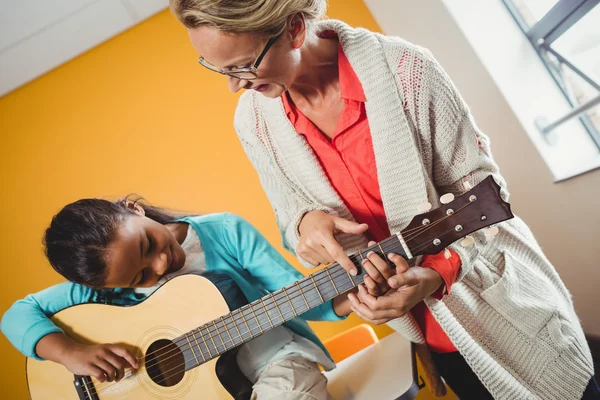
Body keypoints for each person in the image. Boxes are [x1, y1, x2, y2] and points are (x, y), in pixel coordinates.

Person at [168, 1, 597, 399]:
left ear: (295, 29)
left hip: (507, 308)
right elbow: (289, 216)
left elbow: (486, 199)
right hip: (432, 335)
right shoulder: (253, 122)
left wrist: (438, 273)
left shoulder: (409, 70)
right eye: (216, 68)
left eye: (243, 66)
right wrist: (306, 223)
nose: (232, 87)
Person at [1, 197, 393, 399]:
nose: (160, 264)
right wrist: (70, 354)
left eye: (148, 243)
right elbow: (16, 315)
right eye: (140, 276)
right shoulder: (103, 286)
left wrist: (358, 291)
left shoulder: (224, 231)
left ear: (132, 209)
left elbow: (297, 295)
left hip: (277, 359)